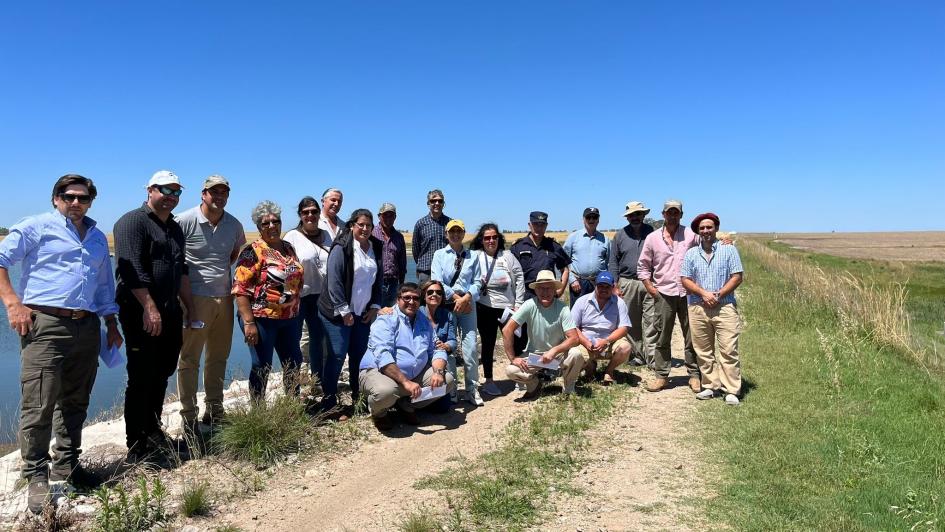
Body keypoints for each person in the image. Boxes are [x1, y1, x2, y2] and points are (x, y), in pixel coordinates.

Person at [0, 174, 123, 513]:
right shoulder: (36, 227)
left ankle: (67, 466)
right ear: (56, 198)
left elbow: (103, 288)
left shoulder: (98, 238)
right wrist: (13, 303)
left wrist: (111, 322)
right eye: (69, 196)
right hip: (46, 324)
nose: (76, 203)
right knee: (39, 403)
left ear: (90, 201)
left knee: (76, 400)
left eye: (83, 198)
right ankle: (35, 476)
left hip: (86, 327)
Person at [113, 170, 197, 461]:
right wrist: (150, 308)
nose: (171, 197)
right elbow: (131, 268)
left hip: (170, 311)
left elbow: (180, 270)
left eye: (176, 192)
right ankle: (136, 446)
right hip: (141, 312)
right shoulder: (132, 222)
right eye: (165, 190)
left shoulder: (173, 227)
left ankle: (153, 431)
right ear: (150, 189)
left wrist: (189, 307)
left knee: (162, 372)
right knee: (140, 376)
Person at [175, 174, 246, 432]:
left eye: (223, 192)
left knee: (218, 356)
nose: (218, 197)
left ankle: (214, 410)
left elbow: (234, 256)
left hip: (224, 298)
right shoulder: (183, 220)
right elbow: (175, 260)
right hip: (194, 299)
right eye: (213, 192)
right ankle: (189, 416)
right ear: (203, 194)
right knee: (189, 359)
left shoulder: (234, 225)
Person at [233, 201, 305, 401]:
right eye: (266, 223)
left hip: (289, 318)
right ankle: (259, 412)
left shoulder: (288, 248)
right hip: (261, 319)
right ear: (258, 227)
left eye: (276, 221)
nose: (272, 226)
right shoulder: (252, 251)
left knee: (293, 362)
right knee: (261, 365)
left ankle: (292, 406)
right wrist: (248, 323)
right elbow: (240, 289)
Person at [359, 283, 455, 430]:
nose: (411, 301)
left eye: (415, 298)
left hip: (413, 375)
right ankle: (379, 413)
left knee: (446, 381)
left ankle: (406, 404)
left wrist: (438, 371)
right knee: (385, 392)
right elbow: (383, 355)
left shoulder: (424, 321)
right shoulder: (386, 319)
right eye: (406, 298)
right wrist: (406, 382)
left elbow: (437, 349)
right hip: (380, 371)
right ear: (398, 299)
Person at [318, 209, 383, 413]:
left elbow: (378, 280)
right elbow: (334, 281)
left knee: (359, 356)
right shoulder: (342, 247)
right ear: (352, 225)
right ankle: (329, 403)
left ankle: (358, 398)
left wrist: (375, 306)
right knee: (337, 356)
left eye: (369, 225)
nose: (365, 229)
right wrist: (344, 311)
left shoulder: (376, 247)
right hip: (337, 313)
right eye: (361, 224)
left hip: (362, 312)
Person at [637, 199, 701, 393]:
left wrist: (723, 240)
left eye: (676, 212)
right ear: (663, 214)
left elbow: (707, 244)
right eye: (669, 212)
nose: (672, 216)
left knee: (692, 335)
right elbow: (643, 266)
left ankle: (694, 375)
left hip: (688, 292)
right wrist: (651, 288)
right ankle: (661, 376)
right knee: (662, 335)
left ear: (681, 215)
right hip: (663, 292)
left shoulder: (691, 235)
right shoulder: (653, 238)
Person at [681, 213, 744, 406]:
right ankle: (709, 385)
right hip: (698, 306)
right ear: (697, 232)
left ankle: (731, 389)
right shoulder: (691, 253)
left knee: (728, 349)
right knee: (703, 350)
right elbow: (685, 279)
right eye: (702, 228)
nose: (706, 231)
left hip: (724, 306)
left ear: (716, 228)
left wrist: (718, 294)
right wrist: (703, 294)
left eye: (709, 227)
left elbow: (737, 276)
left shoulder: (729, 250)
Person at [501, 270, 582, 397]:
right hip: (535, 356)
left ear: (555, 290)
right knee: (511, 371)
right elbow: (507, 329)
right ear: (536, 290)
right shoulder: (529, 305)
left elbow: (575, 338)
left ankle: (569, 387)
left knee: (576, 354)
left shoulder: (563, 308)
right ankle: (534, 384)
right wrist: (513, 358)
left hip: (558, 355)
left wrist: (554, 350)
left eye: (549, 288)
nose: (545, 292)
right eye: (541, 289)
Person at [431, 219, 483, 406]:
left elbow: (478, 282)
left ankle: (472, 388)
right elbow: (436, 280)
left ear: (463, 233)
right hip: (447, 305)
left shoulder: (473, 256)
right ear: (446, 234)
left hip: (468, 305)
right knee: (449, 346)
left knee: (470, 348)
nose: (455, 235)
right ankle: (451, 388)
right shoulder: (439, 255)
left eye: (459, 231)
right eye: (452, 231)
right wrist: (455, 298)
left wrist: (467, 297)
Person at [470, 223, 525, 396]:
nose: (491, 240)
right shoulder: (476, 256)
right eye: (487, 238)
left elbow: (519, 278)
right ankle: (489, 380)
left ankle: (518, 377)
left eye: (494, 237)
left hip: (508, 308)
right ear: (482, 240)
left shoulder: (507, 256)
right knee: (488, 343)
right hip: (484, 307)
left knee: (517, 341)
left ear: (499, 238)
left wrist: (519, 305)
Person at [283, 197, 331, 388]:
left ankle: (317, 380)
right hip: (298, 297)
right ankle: (292, 384)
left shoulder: (327, 235)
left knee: (318, 340)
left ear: (319, 213)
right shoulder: (291, 237)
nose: (310, 215)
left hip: (321, 296)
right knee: (292, 341)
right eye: (306, 212)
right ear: (300, 215)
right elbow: (284, 268)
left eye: (314, 211)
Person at [510, 211, 571, 356]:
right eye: (536, 224)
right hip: (525, 296)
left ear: (546, 226)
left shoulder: (553, 246)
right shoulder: (518, 246)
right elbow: (510, 272)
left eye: (542, 225)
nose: (539, 227)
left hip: (547, 296)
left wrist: (561, 289)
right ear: (529, 225)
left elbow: (565, 269)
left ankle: (548, 366)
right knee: (521, 334)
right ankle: (523, 365)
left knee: (547, 331)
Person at [608, 201, 656, 366]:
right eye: (631, 215)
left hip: (649, 281)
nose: (635, 217)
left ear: (643, 215)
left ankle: (652, 358)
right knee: (632, 321)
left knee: (651, 321)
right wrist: (614, 285)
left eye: (638, 214)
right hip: (627, 282)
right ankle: (638, 356)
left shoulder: (652, 232)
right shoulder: (620, 235)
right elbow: (613, 262)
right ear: (627, 217)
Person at [570, 271, 632, 385]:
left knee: (625, 347)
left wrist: (606, 341)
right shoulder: (582, 301)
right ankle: (590, 367)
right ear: (595, 286)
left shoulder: (619, 303)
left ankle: (609, 370)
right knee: (573, 355)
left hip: (609, 341)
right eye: (600, 286)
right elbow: (573, 327)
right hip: (586, 341)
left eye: (607, 286)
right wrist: (585, 342)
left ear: (613, 287)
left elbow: (624, 327)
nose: (604, 289)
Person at [563, 207, 609, 307]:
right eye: (589, 217)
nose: (591, 220)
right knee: (577, 315)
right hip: (578, 283)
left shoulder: (605, 239)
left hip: (599, 283)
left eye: (594, 217)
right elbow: (563, 260)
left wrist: (607, 282)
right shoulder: (573, 237)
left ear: (598, 219)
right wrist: (572, 280)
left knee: (599, 312)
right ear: (583, 219)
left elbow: (608, 263)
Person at [412, 189, 451, 283]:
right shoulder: (421, 223)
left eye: (440, 201)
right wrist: (420, 266)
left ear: (443, 203)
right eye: (433, 201)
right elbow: (415, 249)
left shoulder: (450, 223)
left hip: (445, 271)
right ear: (428, 203)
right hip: (426, 272)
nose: (437, 203)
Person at [373, 202, 407, 306]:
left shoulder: (399, 237)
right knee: (375, 313)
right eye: (385, 215)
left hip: (393, 283)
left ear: (395, 217)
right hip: (375, 282)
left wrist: (401, 285)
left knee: (391, 315)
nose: (388, 218)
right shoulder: (371, 233)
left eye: (391, 215)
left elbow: (402, 262)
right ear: (379, 216)